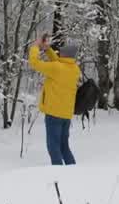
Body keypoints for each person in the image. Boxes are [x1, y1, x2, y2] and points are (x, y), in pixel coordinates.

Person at [28, 33, 80, 166]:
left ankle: (58, 173)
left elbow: (34, 63)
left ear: (63, 55)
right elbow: (57, 61)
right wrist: (46, 49)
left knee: (53, 147)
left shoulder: (57, 68)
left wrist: (35, 47)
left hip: (53, 114)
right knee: (64, 146)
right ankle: (73, 171)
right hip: (66, 115)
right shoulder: (74, 69)